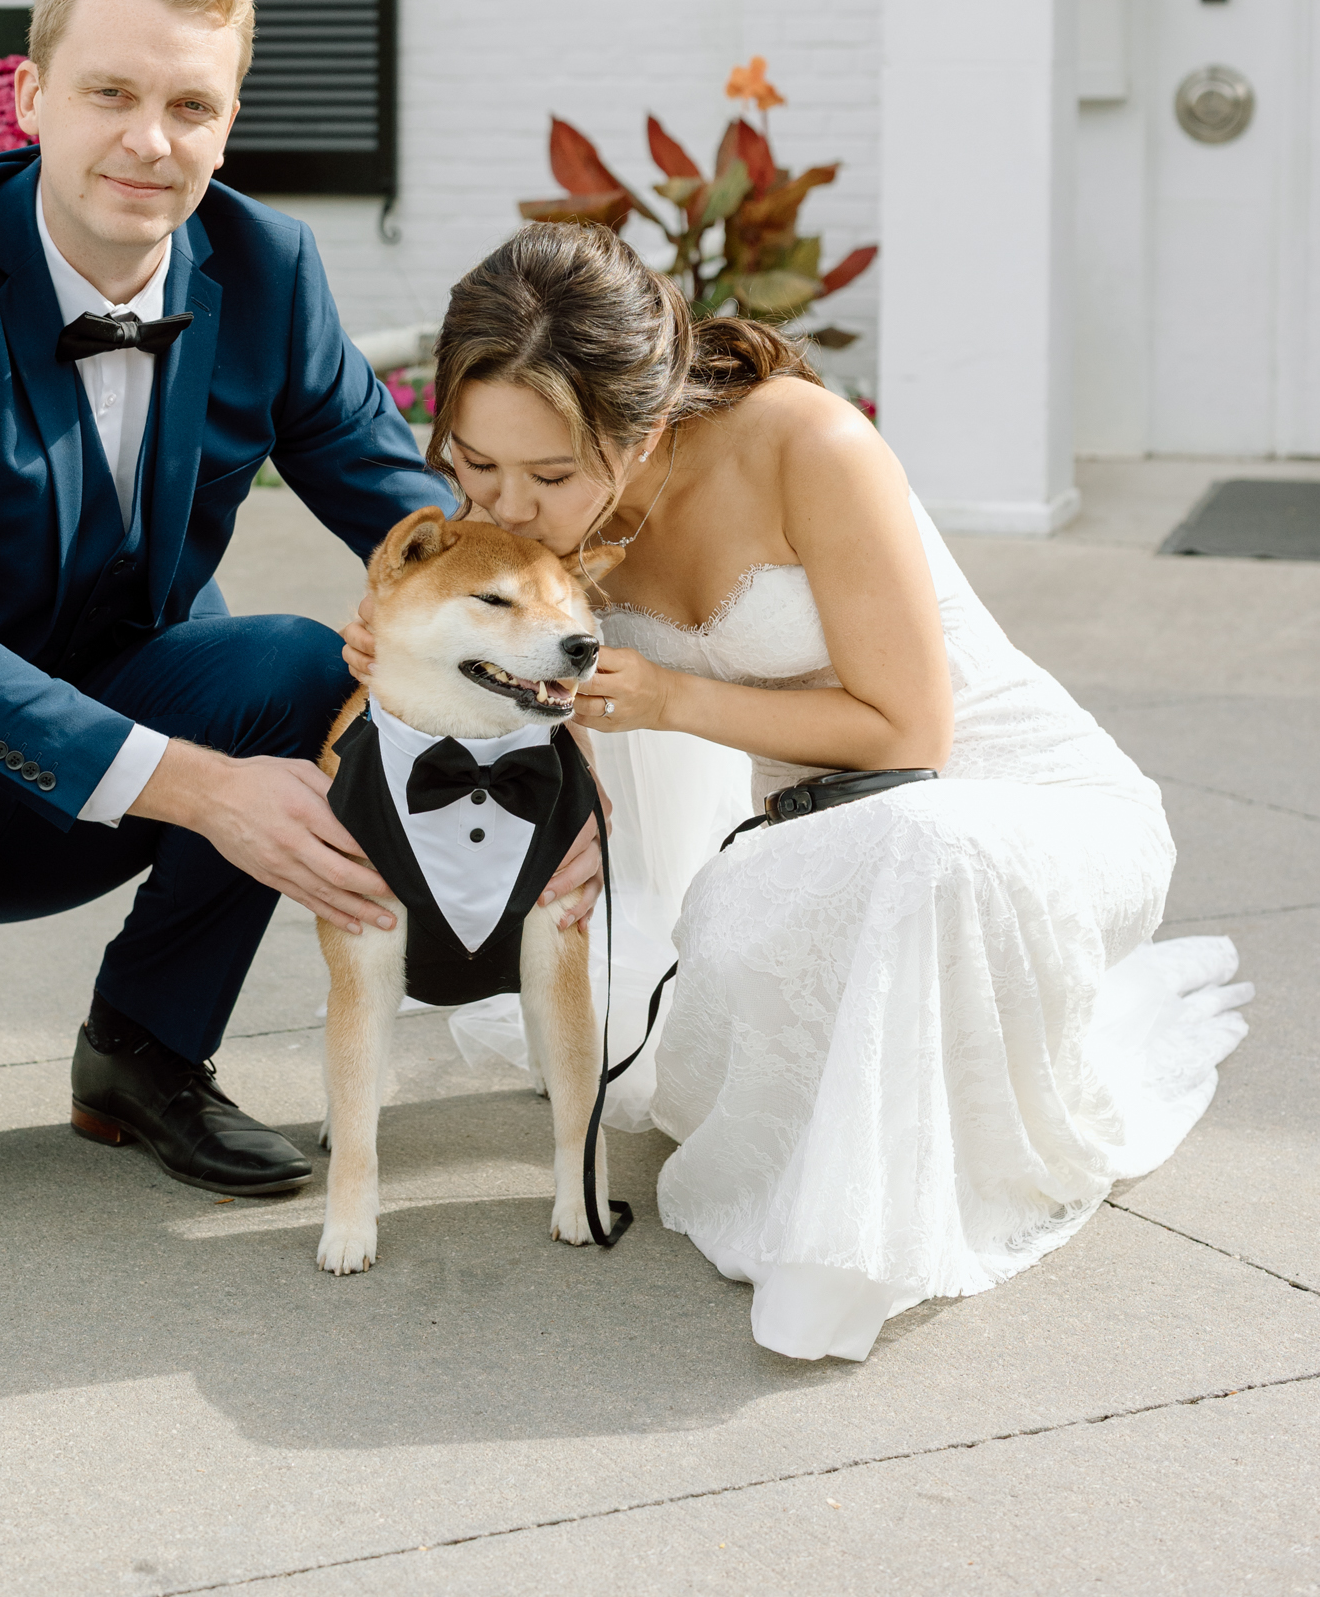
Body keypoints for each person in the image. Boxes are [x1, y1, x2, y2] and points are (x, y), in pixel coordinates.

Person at [0, 0, 607, 1217]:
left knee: (298, 670)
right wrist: (206, 789)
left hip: (110, 679)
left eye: (189, 106)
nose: (149, 141)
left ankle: (144, 1049)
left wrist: (543, 722)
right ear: (30, 97)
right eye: (110, 93)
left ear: (227, 125)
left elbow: (416, 522)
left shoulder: (267, 268)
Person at [346, 220, 1252, 1362]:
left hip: (1018, 805)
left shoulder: (807, 444)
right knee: (769, 938)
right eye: (475, 465)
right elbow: (507, 698)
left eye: (550, 475)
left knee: (921, 847)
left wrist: (670, 698)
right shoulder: (525, 533)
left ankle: (853, 1249)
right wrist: (404, 653)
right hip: (809, 841)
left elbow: (909, 736)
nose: (507, 508)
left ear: (641, 425)